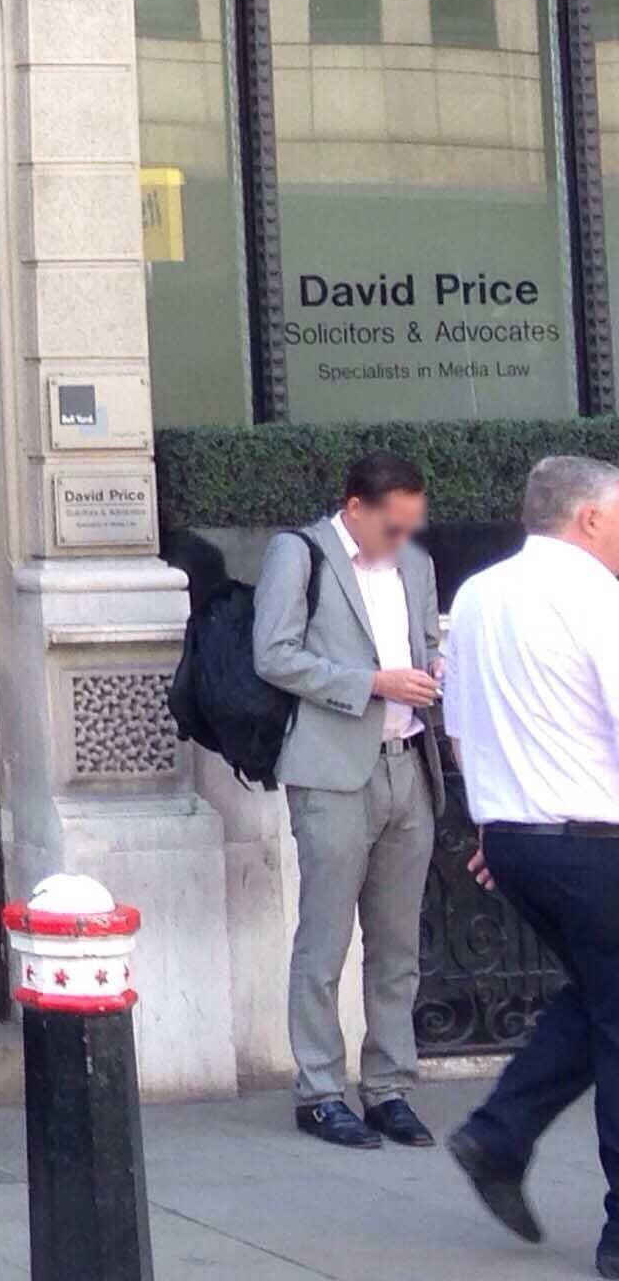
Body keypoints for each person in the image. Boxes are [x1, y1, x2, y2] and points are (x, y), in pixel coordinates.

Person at [442, 454, 619, 1277]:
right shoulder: (595, 595)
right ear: (587, 519)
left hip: (516, 836)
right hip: (592, 838)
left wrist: (495, 822)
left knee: (599, 998)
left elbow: (462, 719)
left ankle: (500, 1135)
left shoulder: (478, 593)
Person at [253, 449, 444, 1150]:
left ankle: (390, 1087)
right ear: (355, 510)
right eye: (393, 527)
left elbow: (424, 644)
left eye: (412, 527)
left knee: (397, 945)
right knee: (325, 939)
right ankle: (320, 1090)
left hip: (408, 766)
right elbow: (273, 654)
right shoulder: (300, 555)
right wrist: (371, 683)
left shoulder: (416, 566)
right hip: (333, 771)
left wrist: (433, 669)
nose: (404, 541)